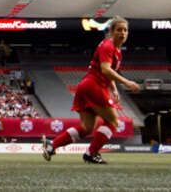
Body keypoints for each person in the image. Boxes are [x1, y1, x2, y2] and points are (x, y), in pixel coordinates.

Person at [41, 16, 141, 164]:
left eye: (125, 30)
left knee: (87, 128)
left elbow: (108, 71)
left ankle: (52, 145)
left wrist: (114, 88)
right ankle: (91, 153)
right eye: (119, 30)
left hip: (86, 86)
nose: (123, 33)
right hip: (95, 86)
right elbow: (105, 70)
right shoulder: (108, 46)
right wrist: (127, 82)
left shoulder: (116, 50)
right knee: (113, 122)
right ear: (112, 31)